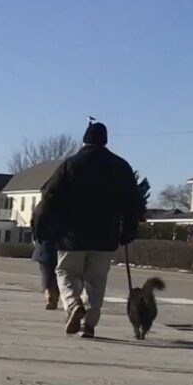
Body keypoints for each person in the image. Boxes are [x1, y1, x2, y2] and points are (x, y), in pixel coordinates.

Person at [31, 120, 146, 338]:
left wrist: (40, 224)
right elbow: (134, 202)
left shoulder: (71, 164)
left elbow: (49, 196)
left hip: (72, 235)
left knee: (65, 272)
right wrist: (129, 229)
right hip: (105, 236)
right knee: (96, 281)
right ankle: (89, 325)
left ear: (85, 140)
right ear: (105, 140)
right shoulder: (121, 167)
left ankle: (73, 305)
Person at [32, 236, 60, 309]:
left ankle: (49, 295)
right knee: (60, 273)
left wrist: (36, 237)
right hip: (62, 242)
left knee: (46, 271)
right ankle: (54, 295)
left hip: (45, 241)